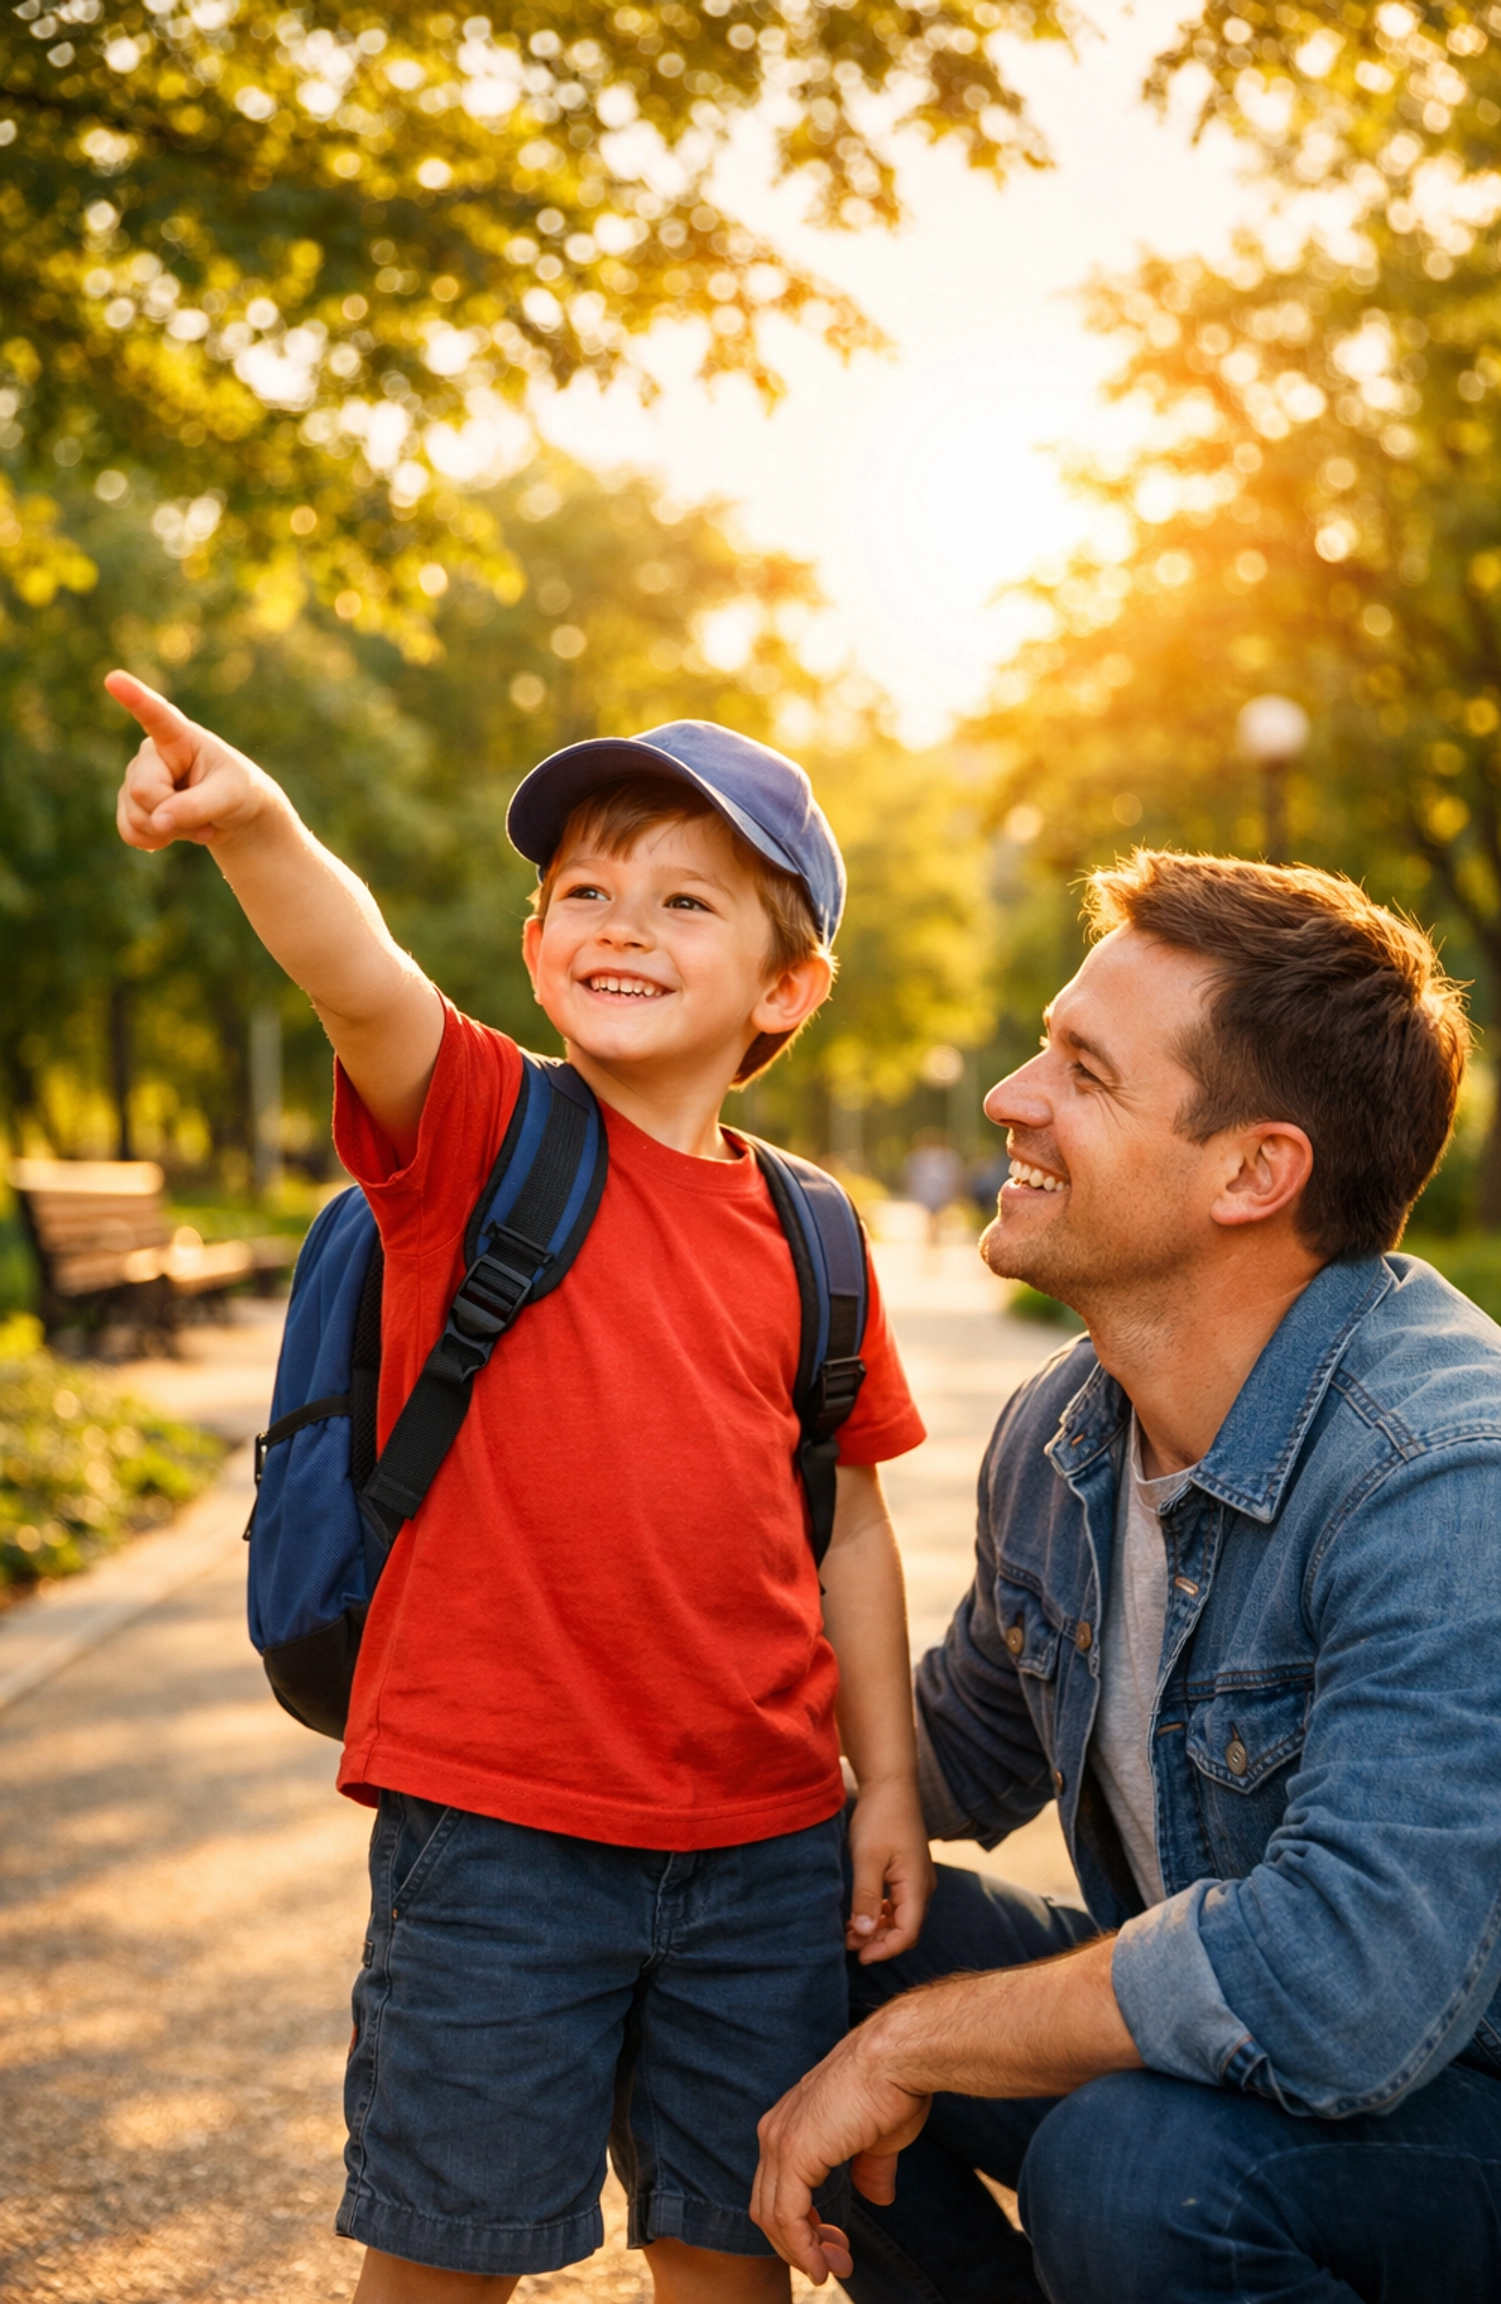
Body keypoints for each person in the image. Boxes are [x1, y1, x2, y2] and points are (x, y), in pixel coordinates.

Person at [107, 672, 935, 2304]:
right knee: (443, 2256)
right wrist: (261, 827)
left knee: (732, 2246)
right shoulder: (482, 1135)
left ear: (790, 987)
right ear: (540, 930)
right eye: (585, 890)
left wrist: (885, 1785)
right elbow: (359, 980)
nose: (620, 922)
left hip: (764, 1844)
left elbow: (847, 1524)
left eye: (686, 899)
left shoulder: (818, 1238)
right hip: (497, 1836)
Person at [751, 850, 1501, 2303]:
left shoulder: (1457, 1479)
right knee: (752, 1913)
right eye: (1044, 1047)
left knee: (1136, 2168)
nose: (1009, 1097)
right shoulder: (1066, 1434)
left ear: (1254, 1172)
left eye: (1084, 1074)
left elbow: (1340, 1988)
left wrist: (909, 2046)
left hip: (1491, 2121)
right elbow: (921, 1764)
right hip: (1269, 2078)